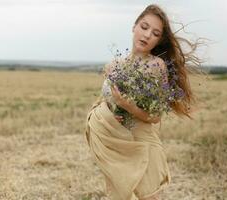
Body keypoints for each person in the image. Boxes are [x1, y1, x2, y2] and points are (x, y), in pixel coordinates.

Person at [84, 4, 202, 200]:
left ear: (159, 40)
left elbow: (155, 117)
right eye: (144, 27)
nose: (147, 35)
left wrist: (127, 105)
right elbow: (103, 101)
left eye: (155, 33)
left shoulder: (157, 66)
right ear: (134, 26)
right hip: (116, 143)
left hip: (140, 143)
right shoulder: (113, 66)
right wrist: (98, 118)